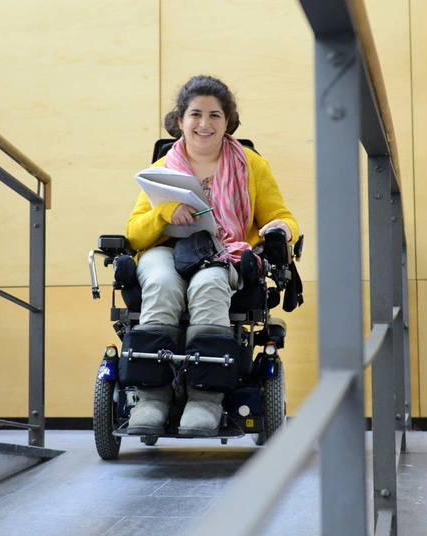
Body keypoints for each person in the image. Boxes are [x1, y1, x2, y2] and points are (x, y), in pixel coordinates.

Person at [124, 75, 299, 437]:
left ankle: (204, 398)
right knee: (160, 283)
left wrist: (279, 230)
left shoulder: (251, 166)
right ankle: (152, 398)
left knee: (209, 284)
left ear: (227, 120)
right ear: (180, 120)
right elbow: (134, 234)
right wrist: (164, 213)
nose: (204, 124)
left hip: (222, 250)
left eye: (215, 115)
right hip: (165, 252)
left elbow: (283, 217)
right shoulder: (160, 171)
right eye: (196, 114)